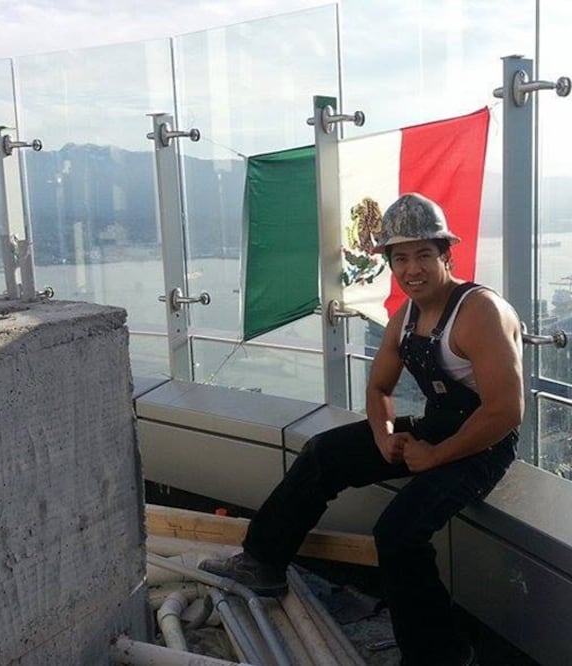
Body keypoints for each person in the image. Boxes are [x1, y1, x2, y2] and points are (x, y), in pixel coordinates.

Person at [200, 192, 524, 666]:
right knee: (323, 454)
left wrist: (436, 456)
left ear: (445, 255)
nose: (411, 269)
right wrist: (384, 437)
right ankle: (263, 561)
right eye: (400, 258)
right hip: (438, 426)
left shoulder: (478, 313)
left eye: (422, 255)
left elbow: (505, 411)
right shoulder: (406, 318)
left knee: (398, 533)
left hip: (484, 442)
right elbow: (378, 391)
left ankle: (440, 655)